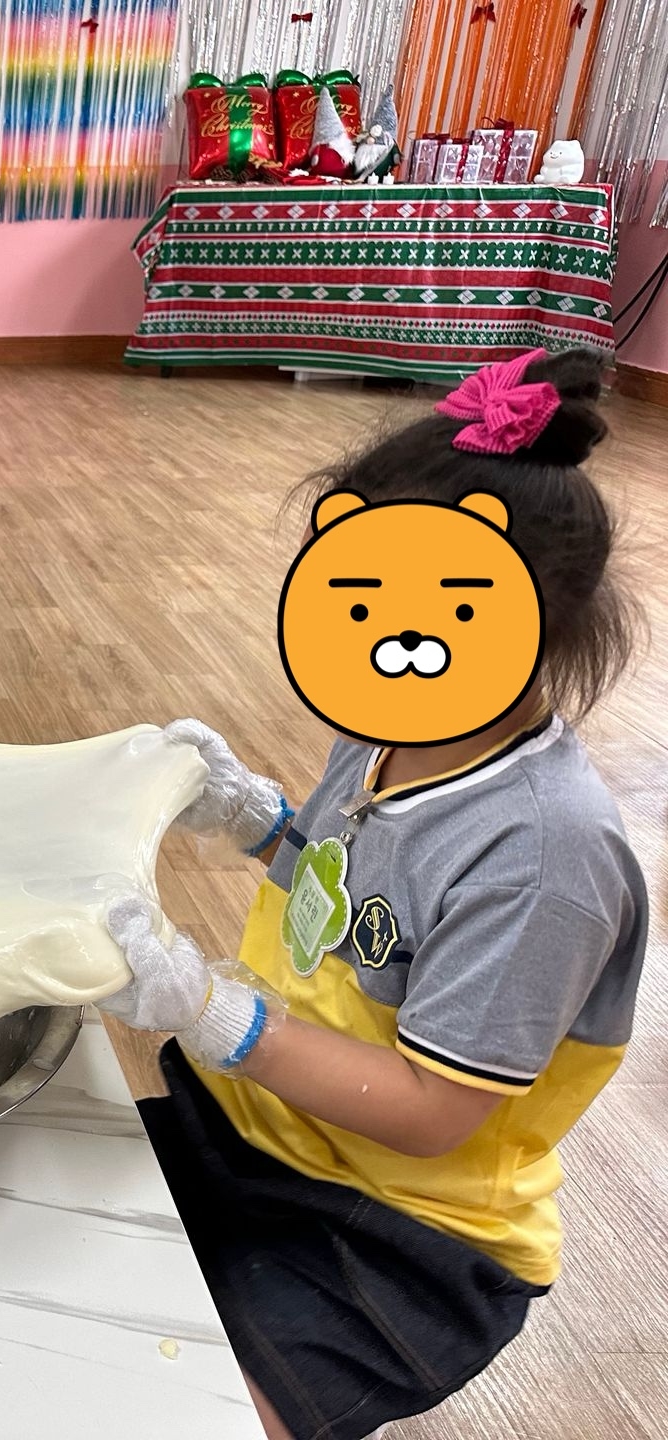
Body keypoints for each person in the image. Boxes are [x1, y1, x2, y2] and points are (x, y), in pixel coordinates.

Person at [97, 350, 647, 1440]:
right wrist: (260, 823)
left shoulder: (545, 857)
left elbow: (434, 1109)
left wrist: (215, 1013)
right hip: (258, 1133)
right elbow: (356, 901)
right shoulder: (390, 731)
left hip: (403, 1237)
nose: (381, 638)